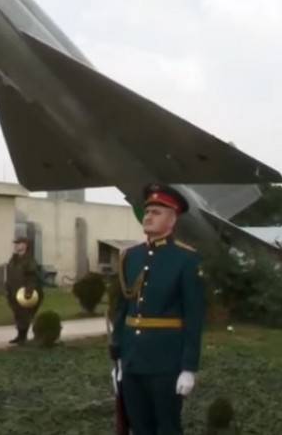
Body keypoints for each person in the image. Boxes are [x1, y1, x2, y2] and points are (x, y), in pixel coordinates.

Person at [109, 184, 205, 435]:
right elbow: (122, 309)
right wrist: (117, 355)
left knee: (168, 427)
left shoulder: (186, 259)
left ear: (172, 220)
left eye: (157, 212)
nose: (148, 215)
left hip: (166, 361)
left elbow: (194, 317)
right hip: (131, 359)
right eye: (147, 210)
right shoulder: (130, 256)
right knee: (139, 426)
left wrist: (188, 368)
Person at [5, 237, 41, 344]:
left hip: (24, 292)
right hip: (13, 291)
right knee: (17, 314)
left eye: (18, 243)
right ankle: (19, 335)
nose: (16, 246)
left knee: (24, 315)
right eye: (15, 244)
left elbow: (32, 277)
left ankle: (23, 337)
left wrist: (28, 291)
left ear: (25, 245)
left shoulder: (29, 260)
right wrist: (7, 288)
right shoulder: (13, 259)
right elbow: (9, 274)